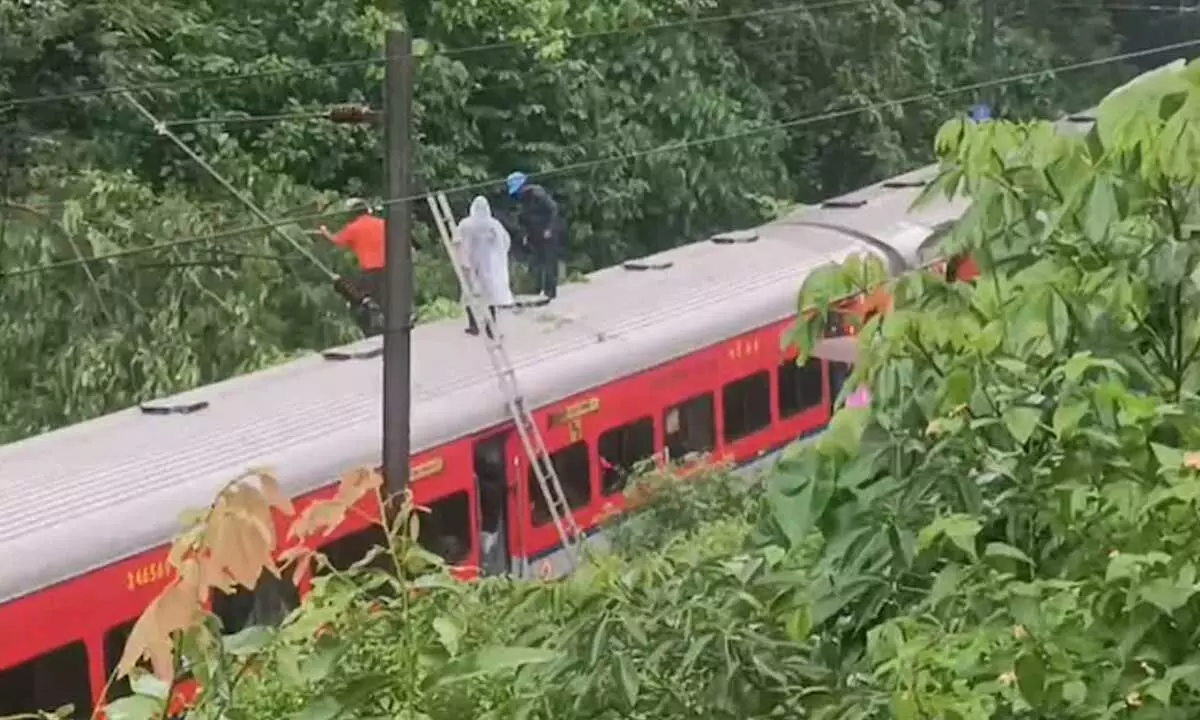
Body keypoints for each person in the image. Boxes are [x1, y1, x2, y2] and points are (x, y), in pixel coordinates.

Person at [320, 199, 385, 335]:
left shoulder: (353, 228)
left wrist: (325, 232)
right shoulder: (382, 224)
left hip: (370, 271)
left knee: (342, 284)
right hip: (389, 268)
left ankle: (367, 303)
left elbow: (336, 241)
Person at [457, 196, 515, 336]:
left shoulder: (466, 224)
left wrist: (461, 259)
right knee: (490, 295)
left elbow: (458, 241)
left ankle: (473, 325)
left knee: (469, 293)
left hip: (470, 263)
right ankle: (491, 327)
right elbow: (505, 241)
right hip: (489, 265)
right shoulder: (493, 224)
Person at [506, 171, 564, 300]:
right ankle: (538, 290)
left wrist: (549, 228)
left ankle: (550, 291)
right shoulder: (521, 200)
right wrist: (525, 234)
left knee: (549, 262)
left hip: (548, 232)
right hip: (534, 233)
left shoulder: (537, 193)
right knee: (537, 262)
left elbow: (553, 209)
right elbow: (523, 220)